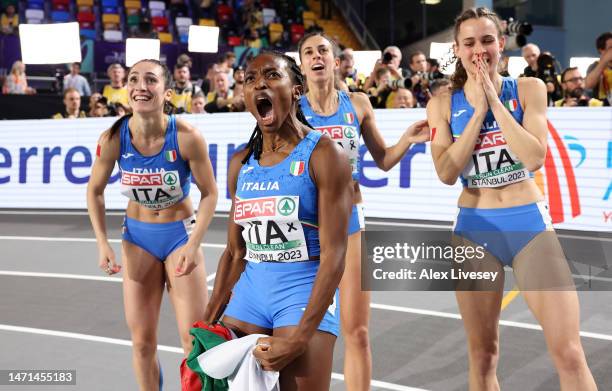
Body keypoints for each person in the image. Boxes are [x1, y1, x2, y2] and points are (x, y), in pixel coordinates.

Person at [426, 7, 597, 390]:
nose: (479, 50)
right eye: (469, 43)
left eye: (487, 40)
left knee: (569, 351)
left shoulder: (529, 89)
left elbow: (534, 156)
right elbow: (447, 172)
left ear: (501, 44)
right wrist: (476, 114)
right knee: (483, 355)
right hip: (473, 228)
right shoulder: (441, 103)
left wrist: (495, 103)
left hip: (529, 225)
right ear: (457, 50)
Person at [202, 51, 354, 390]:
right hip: (251, 292)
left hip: (303, 291)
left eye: (272, 75)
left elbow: (335, 255)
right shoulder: (241, 162)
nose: (260, 84)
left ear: (297, 89)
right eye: (250, 79)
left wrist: (302, 337)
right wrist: (208, 316)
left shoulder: (326, 155)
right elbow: (234, 251)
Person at [297, 32, 430, 391]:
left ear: (336, 60)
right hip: (305, 230)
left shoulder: (357, 104)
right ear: (302, 65)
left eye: (322, 50)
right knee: (303, 332)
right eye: (308, 52)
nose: (316, 56)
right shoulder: (292, 111)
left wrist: (406, 140)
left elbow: (383, 160)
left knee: (356, 331)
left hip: (351, 222)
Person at [87, 59, 218, 391]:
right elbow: (94, 190)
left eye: (150, 80)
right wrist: (102, 242)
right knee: (142, 343)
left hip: (179, 237)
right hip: (138, 238)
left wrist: (193, 244)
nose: (140, 86)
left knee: (194, 344)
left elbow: (211, 193)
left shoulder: (188, 137)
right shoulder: (114, 137)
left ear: (167, 93)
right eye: (133, 79)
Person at [585, 32, 612, 106]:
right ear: (601, 50)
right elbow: (588, 85)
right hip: (602, 110)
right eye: (611, 48)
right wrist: (604, 61)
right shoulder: (595, 66)